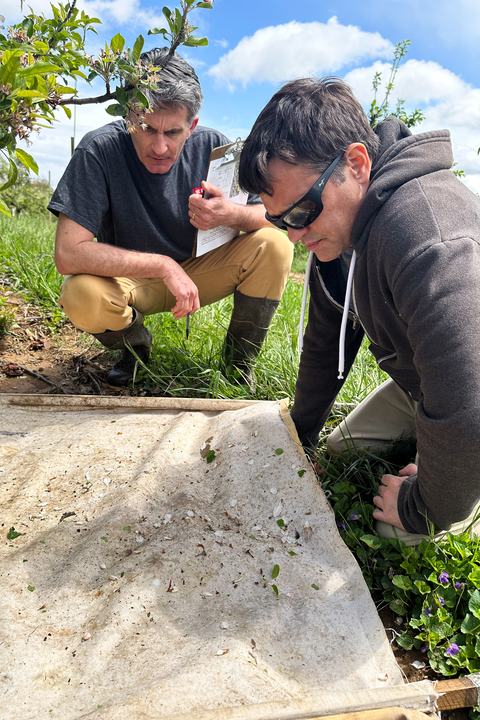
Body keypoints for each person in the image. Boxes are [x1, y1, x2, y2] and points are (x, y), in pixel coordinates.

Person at [238, 77, 480, 545]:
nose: (294, 234)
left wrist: (421, 504)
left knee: (399, 532)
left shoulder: (429, 238)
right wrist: (298, 438)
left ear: (355, 162)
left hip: (471, 393)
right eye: (279, 219)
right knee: (340, 450)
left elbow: (471, 407)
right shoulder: (342, 231)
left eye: (303, 211)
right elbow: (327, 345)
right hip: (428, 382)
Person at [48, 48, 292, 387]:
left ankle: (237, 368)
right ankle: (135, 352)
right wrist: (163, 266)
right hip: (131, 279)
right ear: (129, 117)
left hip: (202, 271)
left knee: (275, 245)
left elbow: (274, 215)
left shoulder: (217, 148)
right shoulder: (98, 150)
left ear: (191, 126)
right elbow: (68, 253)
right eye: (147, 128)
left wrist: (230, 213)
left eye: (173, 133)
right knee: (80, 294)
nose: (159, 147)